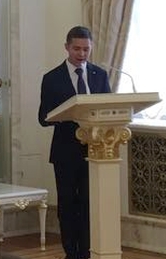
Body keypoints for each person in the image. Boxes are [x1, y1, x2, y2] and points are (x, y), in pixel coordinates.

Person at [38, 26, 111, 259]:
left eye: (86, 49)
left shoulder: (100, 75)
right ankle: (71, 252)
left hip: (96, 151)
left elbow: (109, 109)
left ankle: (88, 251)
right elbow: (43, 117)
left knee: (90, 204)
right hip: (65, 152)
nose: (81, 54)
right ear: (67, 47)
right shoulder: (52, 78)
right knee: (68, 205)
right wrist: (66, 114)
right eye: (77, 49)